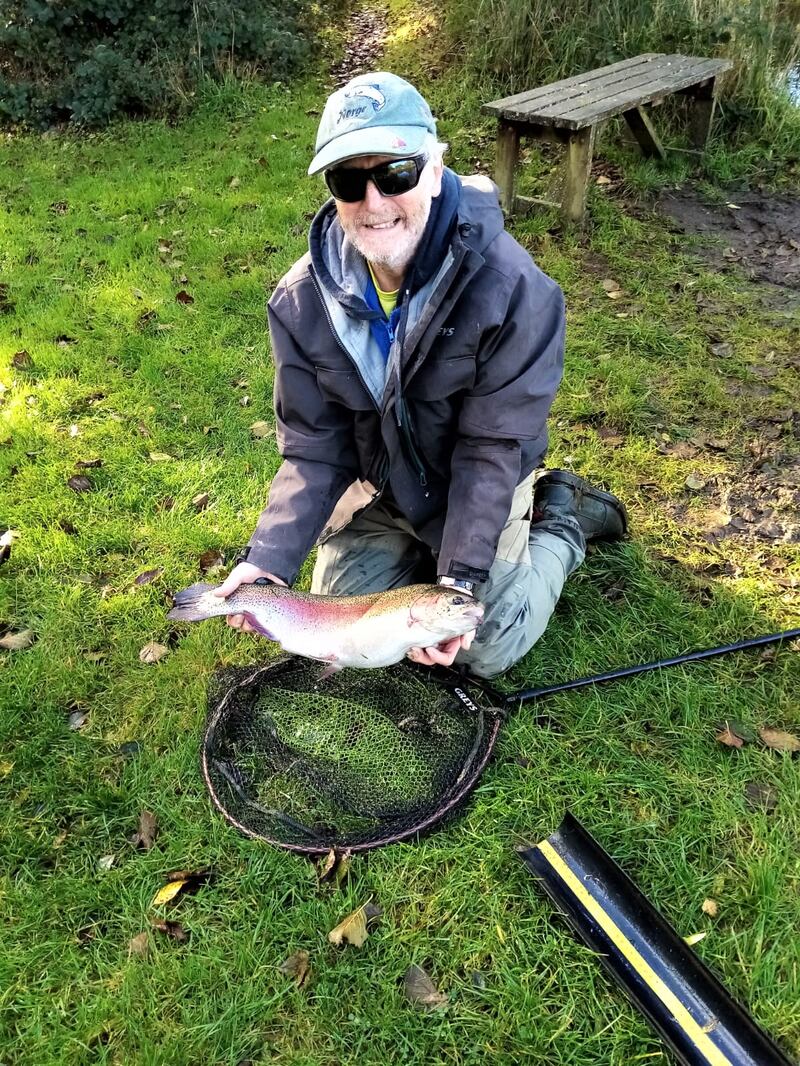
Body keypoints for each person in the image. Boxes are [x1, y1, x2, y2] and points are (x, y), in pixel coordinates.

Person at [215, 72, 627, 678]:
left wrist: (456, 583)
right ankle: (420, 551)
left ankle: (561, 519)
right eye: (349, 180)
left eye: (396, 174)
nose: (374, 202)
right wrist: (269, 560)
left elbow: (491, 447)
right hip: (381, 486)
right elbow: (314, 446)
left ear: (434, 169)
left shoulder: (515, 291)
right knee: (349, 644)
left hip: (478, 478)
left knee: (482, 644)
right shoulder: (301, 301)